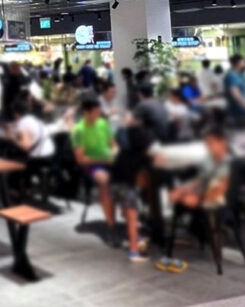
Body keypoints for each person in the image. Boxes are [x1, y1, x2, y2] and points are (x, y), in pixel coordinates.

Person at [72, 97, 145, 261]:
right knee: (105, 182)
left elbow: (114, 144)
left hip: (110, 161)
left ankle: (130, 223)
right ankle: (112, 228)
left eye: (99, 112)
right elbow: (81, 159)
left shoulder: (103, 124)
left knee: (127, 179)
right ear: (86, 112)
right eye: (95, 112)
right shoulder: (78, 131)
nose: (98, 115)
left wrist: (116, 154)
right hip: (93, 164)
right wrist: (105, 159)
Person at [156, 128, 233, 272]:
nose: (209, 147)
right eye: (207, 143)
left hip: (219, 201)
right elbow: (200, 179)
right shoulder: (210, 158)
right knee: (177, 195)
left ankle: (203, 233)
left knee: (186, 202)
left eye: (211, 143)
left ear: (223, 143)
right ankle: (193, 228)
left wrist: (197, 199)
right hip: (205, 194)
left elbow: (219, 191)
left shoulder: (228, 163)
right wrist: (183, 190)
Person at [224, 54, 245, 127]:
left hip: (243, 109)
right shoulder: (232, 76)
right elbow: (236, 95)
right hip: (238, 111)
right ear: (238, 63)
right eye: (244, 62)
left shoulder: (239, 74)